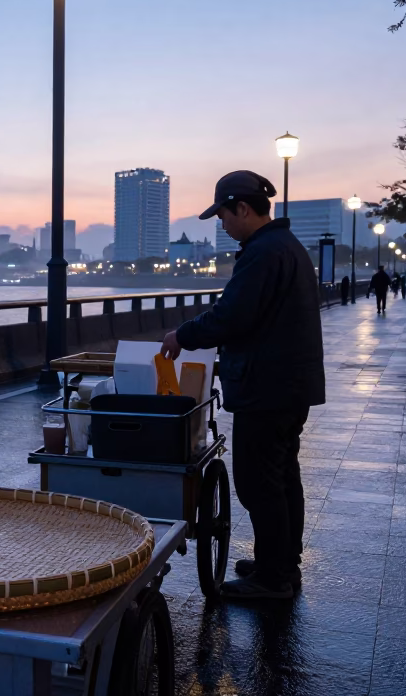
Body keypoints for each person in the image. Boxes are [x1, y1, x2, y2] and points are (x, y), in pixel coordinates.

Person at [160, 170, 324, 600]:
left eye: (224, 215)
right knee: (283, 476)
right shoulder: (284, 247)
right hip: (288, 385)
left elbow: (232, 315)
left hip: (266, 387)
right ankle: (283, 563)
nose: (222, 224)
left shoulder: (263, 253)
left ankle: (273, 579)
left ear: (243, 209)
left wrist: (182, 335)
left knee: (258, 482)